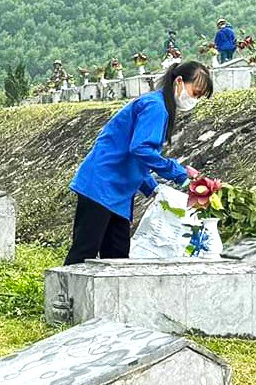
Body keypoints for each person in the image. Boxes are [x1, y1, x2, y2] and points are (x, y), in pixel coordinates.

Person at [65, 60, 212, 264]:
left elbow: (136, 156)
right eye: (195, 92)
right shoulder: (156, 107)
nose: (194, 99)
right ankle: (65, 296)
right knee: (85, 251)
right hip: (102, 184)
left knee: (118, 256)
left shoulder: (160, 107)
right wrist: (179, 174)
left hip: (119, 191)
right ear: (179, 81)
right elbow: (140, 148)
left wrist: (152, 188)